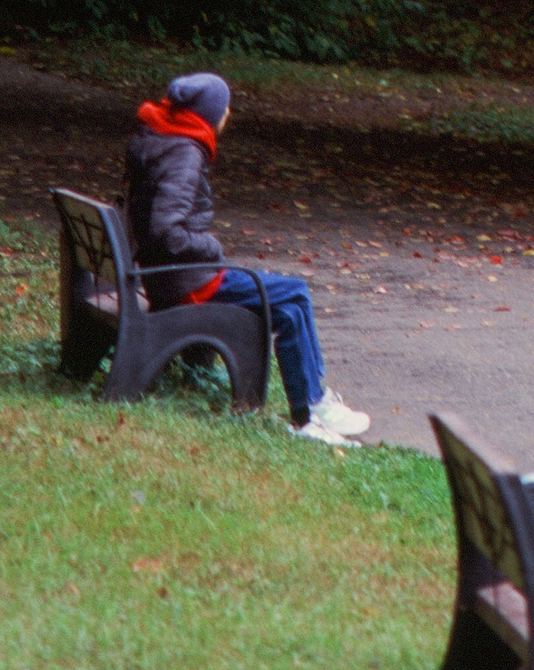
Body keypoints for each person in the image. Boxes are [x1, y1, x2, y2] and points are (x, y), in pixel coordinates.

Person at [125, 70, 370, 443]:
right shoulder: (185, 153)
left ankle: (308, 416)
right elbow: (165, 229)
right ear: (208, 115)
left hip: (167, 276)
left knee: (287, 311)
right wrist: (211, 248)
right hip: (189, 282)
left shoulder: (160, 137)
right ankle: (317, 404)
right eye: (225, 109)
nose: (228, 116)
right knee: (296, 290)